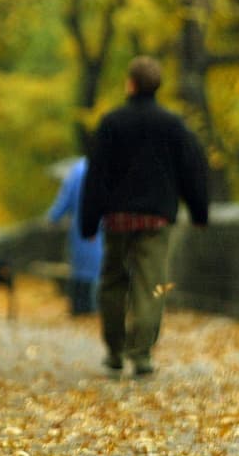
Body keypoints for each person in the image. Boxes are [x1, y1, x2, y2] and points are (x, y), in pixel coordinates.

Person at [80, 56, 209, 377]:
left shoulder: (111, 123)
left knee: (112, 283)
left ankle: (114, 350)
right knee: (151, 284)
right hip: (155, 220)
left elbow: (95, 176)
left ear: (131, 84)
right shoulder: (173, 125)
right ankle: (141, 353)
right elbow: (192, 171)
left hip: (118, 220)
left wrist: (89, 220)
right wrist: (199, 211)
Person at [47, 157, 103, 315]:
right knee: (98, 269)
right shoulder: (108, 166)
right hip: (103, 230)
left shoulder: (77, 170)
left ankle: (80, 308)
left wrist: (53, 217)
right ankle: (94, 309)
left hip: (80, 229)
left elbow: (64, 201)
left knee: (80, 269)